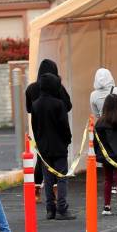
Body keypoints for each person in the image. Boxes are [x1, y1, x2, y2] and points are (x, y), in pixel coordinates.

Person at [26, 60, 72, 202]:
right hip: (57, 132)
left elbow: (29, 109)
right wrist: (67, 139)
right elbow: (68, 106)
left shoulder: (31, 88)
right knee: (59, 166)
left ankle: (39, 190)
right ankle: (58, 194)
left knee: (43, 159)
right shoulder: (58, 88)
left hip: (39, 129)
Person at [31, 73, 74, 220]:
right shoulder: (58, 104)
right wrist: (67, 141)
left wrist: (39, 144)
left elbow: (35, 128)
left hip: (43, 148)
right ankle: (62, 208)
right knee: (61, 177)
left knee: (47, 178)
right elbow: (64, 127)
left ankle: (50, 209)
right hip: (59, 146)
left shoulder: (35, 104)